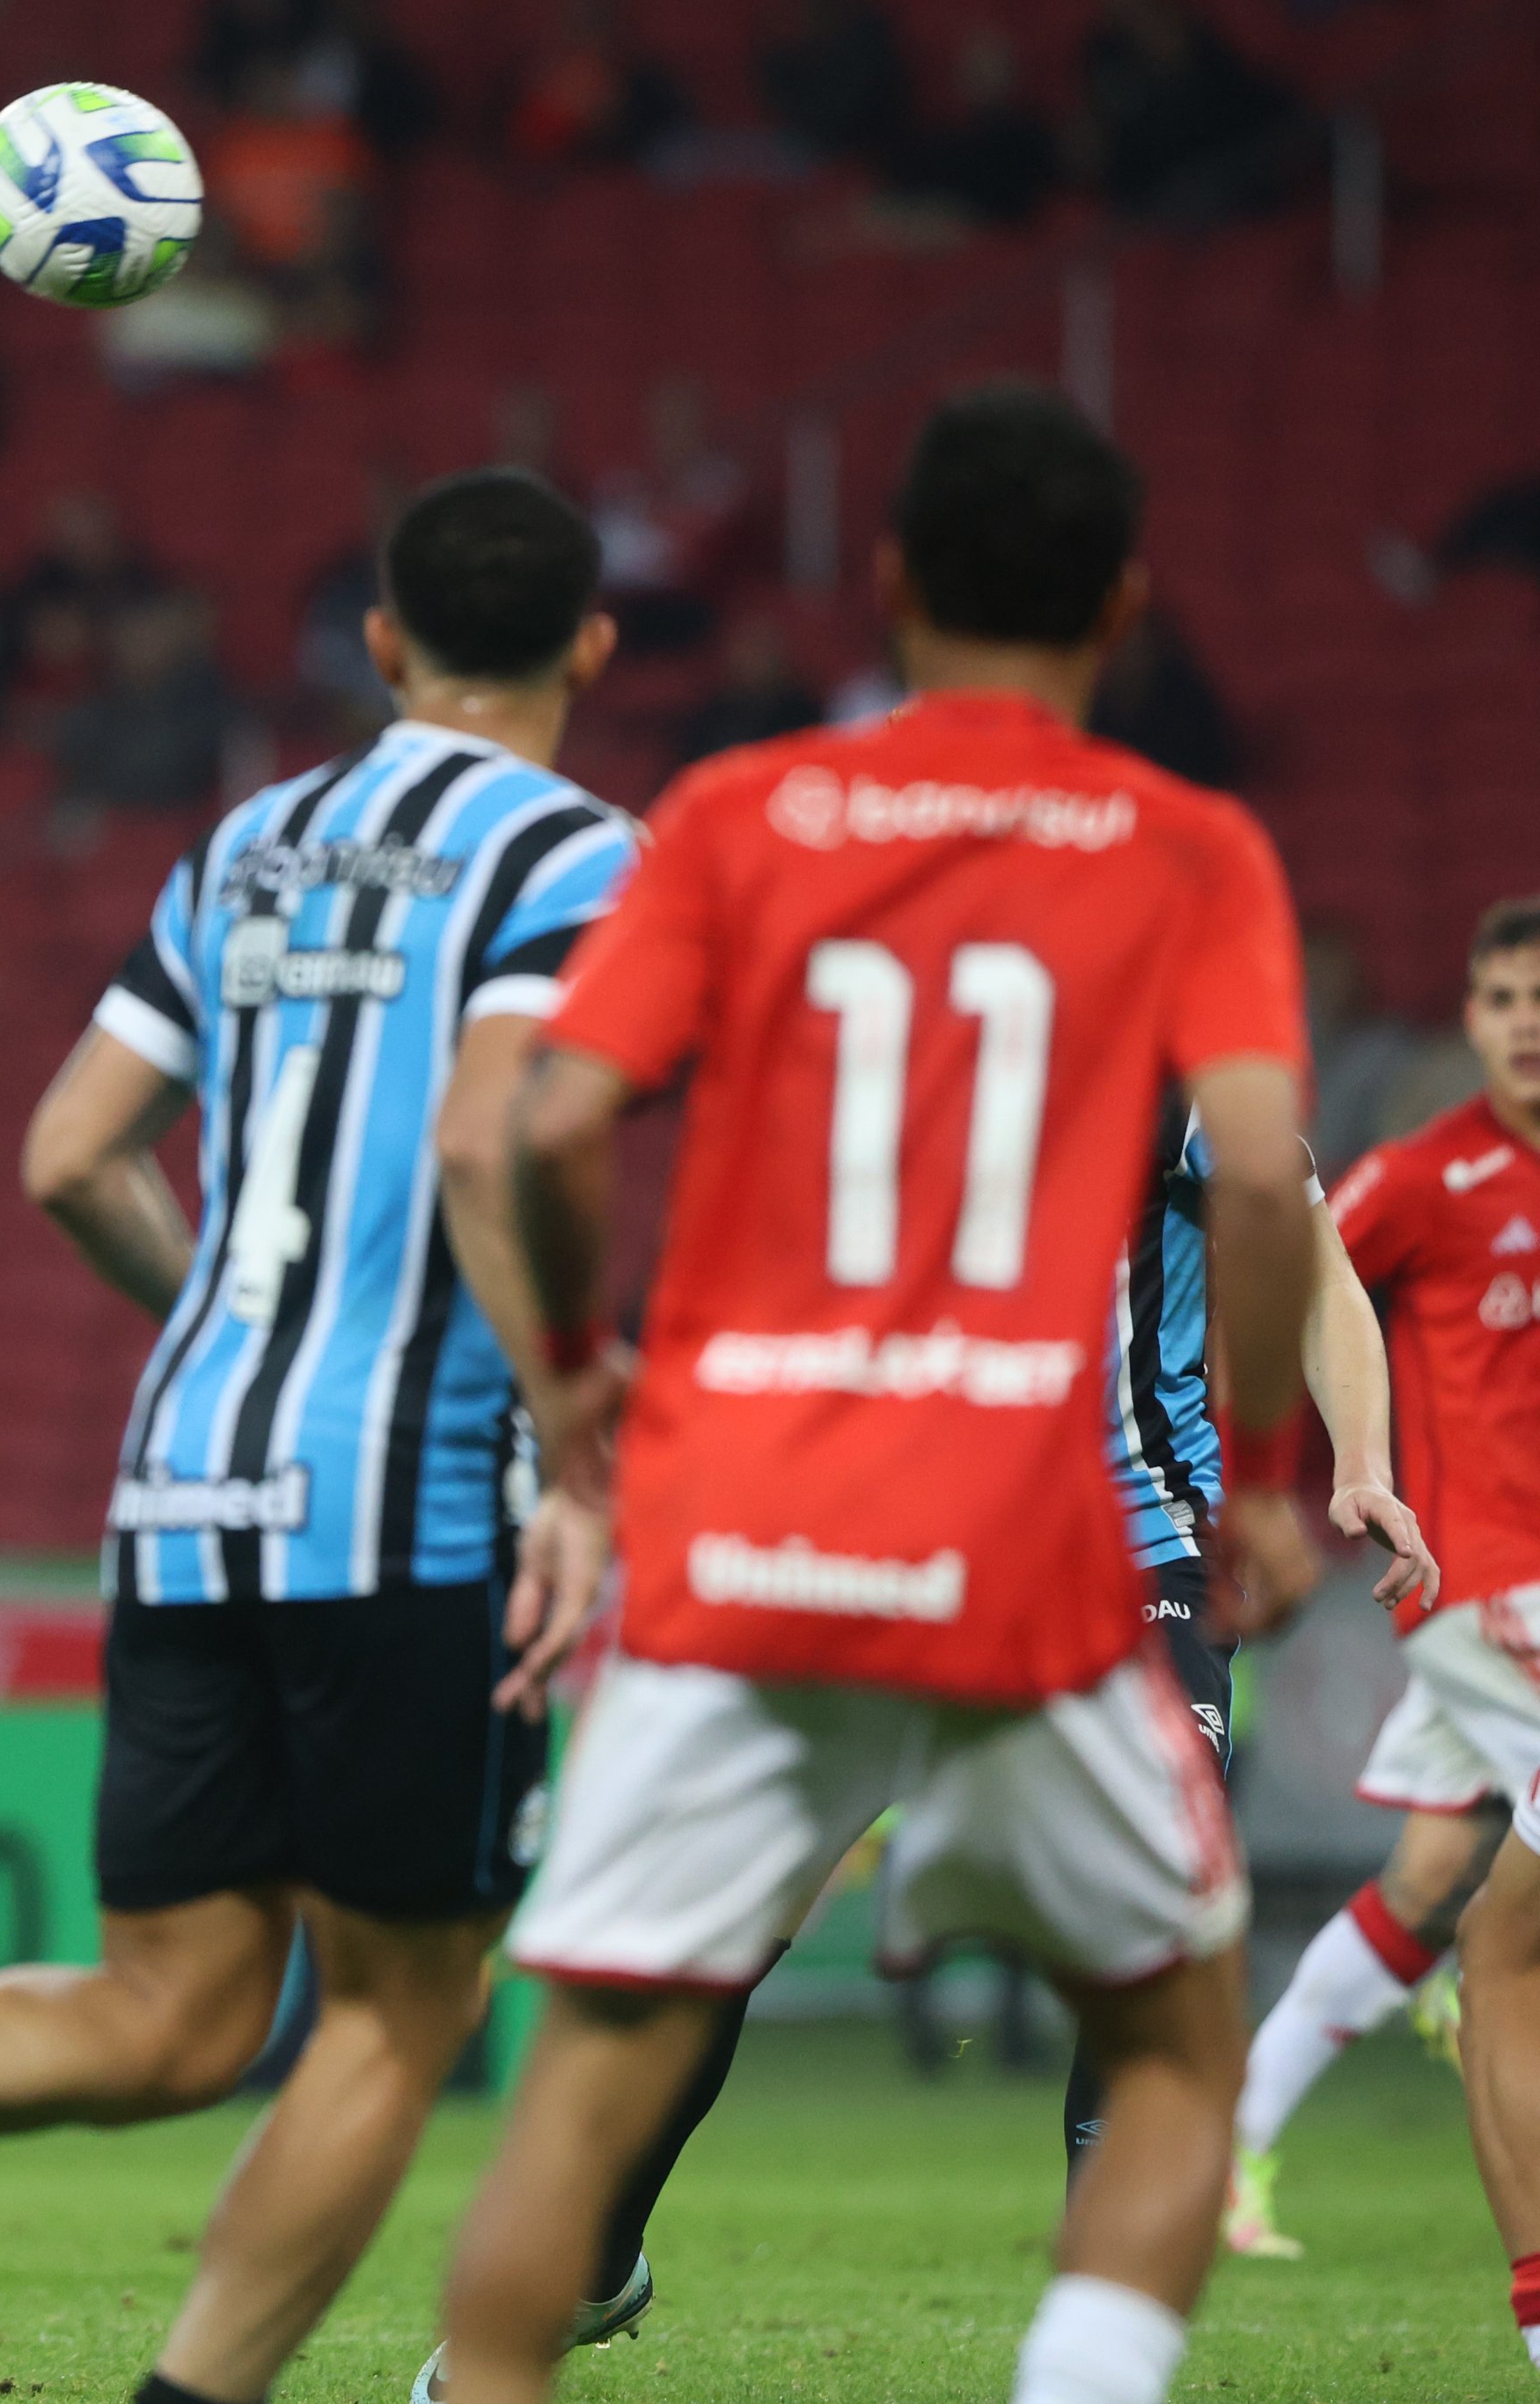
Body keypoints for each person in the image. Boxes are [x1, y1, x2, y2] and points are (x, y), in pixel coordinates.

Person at [0, 470, 637, 2395]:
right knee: (394, 2017)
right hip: (402, 1505)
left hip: (182, 1481)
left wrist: (236, 1338)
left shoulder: (245, 842)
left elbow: (70, 1154)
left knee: (175, 2016)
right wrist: (576, 1429)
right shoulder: (578, 855)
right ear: (587, 645)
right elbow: (498, 1143)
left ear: (383, 644)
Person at [432, 385, 1324, 2404]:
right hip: (1035, 1536)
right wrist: (1260, 1472)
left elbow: (551, 1122)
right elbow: (1262, 1176)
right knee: (1178, 2046)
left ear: (890, 577)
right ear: (1123, 604)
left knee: (596, 2065)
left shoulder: (737, 816)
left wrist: (576, 1372)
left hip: (740, 1519)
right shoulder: (1186, 850)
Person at [434, 1011, 1441, 2396]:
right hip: (881, 1562)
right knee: (731, 1923)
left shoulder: (1165, 1075)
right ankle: (591, 2257)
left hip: (1128, 1564)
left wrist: (1359, 1460)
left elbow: (1314, 1258)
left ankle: (1096, 2365)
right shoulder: (855, 1079)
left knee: (1154, 1948)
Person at [1281, 903, 1540, 2312]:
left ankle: (1238, 2144)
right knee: (1497, 1940)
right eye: (1499, 994)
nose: (1526, 1021)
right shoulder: (1429, 1176)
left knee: (1460, 1905)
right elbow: (1307, 1276)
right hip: (1485, 1589)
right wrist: (1302, 1473)